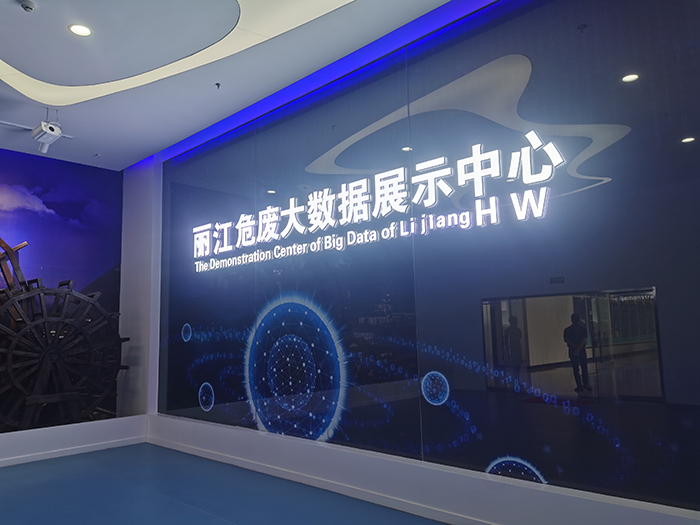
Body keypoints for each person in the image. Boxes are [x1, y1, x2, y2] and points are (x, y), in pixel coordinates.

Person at [564, 313, 592, 392]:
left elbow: (567, 340)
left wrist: (575, 346)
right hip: (582, 350)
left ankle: (579, 385)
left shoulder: (567, 330)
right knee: (584, 367)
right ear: (579, 319)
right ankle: (586, 384)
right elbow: (584, 339)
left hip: (572, 350)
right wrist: (579, 346)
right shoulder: (583, 329)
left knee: (575, 368)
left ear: (571, 320)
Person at [504, 316, 523, 380]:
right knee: (517, 364)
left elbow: (505, 342)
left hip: (513, 349)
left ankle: (514, 378)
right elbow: (519, 339)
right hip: (515, 348)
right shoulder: (518, 330)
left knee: (514, 365)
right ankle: (516, 378)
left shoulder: (507, 331)